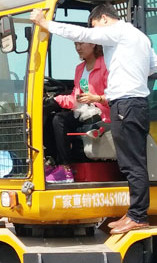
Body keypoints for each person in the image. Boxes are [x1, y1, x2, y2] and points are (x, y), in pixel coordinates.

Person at [30, 3, 157, 235]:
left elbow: (82, 34)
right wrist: (130, 75)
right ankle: (134, 214)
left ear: (102, 19)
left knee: (132, 164)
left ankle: (138, 215)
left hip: (125, 103)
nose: (96, 36)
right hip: (135, 102)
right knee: (133, 163)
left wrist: (45, 24)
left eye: (95, 28)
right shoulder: (139, 37)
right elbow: (154, 66)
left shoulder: (117, 31)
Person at [44, 42, 109, 183]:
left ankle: (65, 168)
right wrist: (56, 100)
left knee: (59, 120)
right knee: (50, 117)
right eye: (75, 44)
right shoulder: (80, 69)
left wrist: (96, 98)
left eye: (81, 44)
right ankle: (52, 163)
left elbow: (117, 95)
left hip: (101, 113)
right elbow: (75, 97)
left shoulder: (106, 65)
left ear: (93, 44)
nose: (77, 48)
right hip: (83, 111)